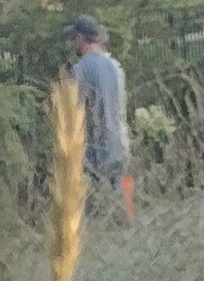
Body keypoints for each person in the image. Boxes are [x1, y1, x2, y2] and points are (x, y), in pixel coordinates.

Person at [63, 15, 134, 221]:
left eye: (74, 38)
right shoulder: (114, 66)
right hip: (120, 141)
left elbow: (78, 113)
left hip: (96, 149)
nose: (73, 43)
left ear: (82, 38)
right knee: (124, 200)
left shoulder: (79, 70)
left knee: (101, 211)